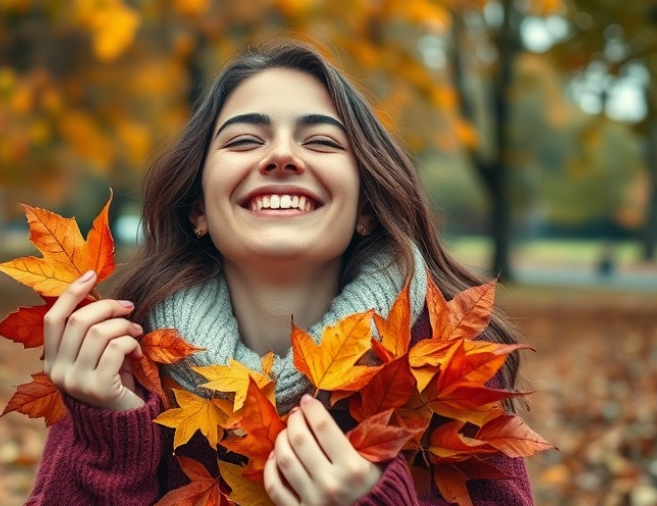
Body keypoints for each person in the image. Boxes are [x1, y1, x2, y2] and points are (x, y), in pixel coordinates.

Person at [27, 41, 534, 505]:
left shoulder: (447, 363)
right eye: (245, 140)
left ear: (367, 208)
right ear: (197, 207)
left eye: (321, 142)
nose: (283, 156)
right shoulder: (124, 366)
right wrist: (110, 440)